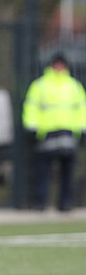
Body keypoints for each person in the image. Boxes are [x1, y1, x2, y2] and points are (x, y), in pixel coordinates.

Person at [22, 53, 86, 212]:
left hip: (68, 133)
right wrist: (32, 127)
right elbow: (31, 107)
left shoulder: (73, 86)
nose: (58, 68)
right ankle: (41, 202)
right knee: (43, 171)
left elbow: (81, 109)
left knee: (67, 172)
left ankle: (65, 203)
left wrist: (83, 128)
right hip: (46, 133)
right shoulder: (40, 85)